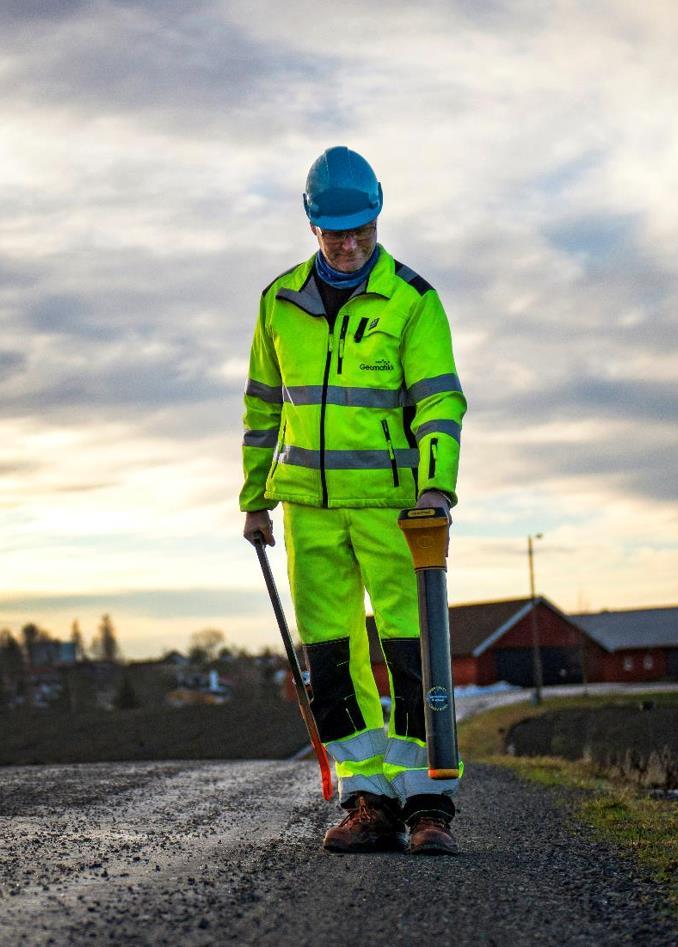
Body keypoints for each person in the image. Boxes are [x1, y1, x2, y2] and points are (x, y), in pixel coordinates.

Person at [240, 146, 466, 855]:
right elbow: (262, 406)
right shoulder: (277, 302)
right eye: (335, 231)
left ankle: (427, 802)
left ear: (377, 216)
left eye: (361, 228)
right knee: (331, 659)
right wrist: (254, 498)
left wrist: (437, 485)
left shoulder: (412, 299)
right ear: (312, 226)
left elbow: (439, 400)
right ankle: (368, 800)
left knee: (411, 653)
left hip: (397, 508)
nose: (348, 243)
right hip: (308, 508)